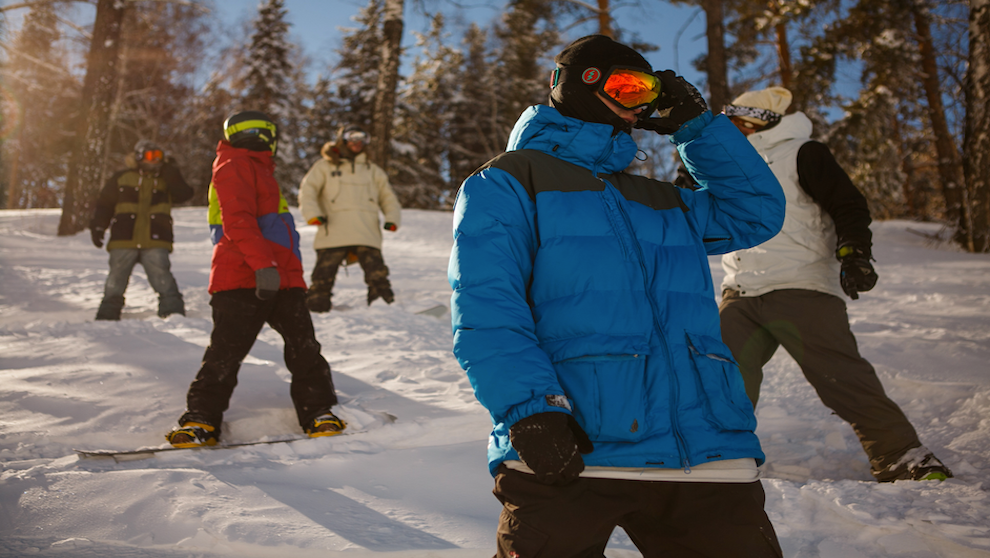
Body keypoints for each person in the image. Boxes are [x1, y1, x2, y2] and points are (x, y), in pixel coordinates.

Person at [448, 35, 787, 557]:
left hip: (706, 455)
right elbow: (487, 307)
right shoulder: (511, 181)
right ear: (578, 85)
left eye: (648, 93)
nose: (638, 106)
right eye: (626, 87)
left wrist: (698, 129)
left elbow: (756, 214)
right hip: (573, 449)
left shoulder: (663, 199)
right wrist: (530, 410)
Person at [717, 87, 953, 482]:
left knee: (840, 376)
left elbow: (848, 204)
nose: (733, 129)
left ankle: (901, 454)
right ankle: (720, 455)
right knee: (718, 375)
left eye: (740, 121)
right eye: (730, 123)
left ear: (764, 121)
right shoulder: (726, 164)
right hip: (740, 292)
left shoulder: (803, 153)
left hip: (800, 284)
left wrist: (854, 253)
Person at [166, 111, 345, 448]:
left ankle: (318, 411)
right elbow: (238, 222)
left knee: (304, 349)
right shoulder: (233, 165)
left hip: (283, 279)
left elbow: (275, 231)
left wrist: (288, 275)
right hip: (243, 278)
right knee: (225, 352)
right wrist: (263, 266)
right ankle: (200, 419)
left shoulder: (261, 170)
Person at [299, 124, 402, 312]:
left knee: (377, 274)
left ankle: (385, 309)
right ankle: (315, 309)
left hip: (366, 229)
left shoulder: (372, 170)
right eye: (352, 137)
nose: (357, 142)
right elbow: (308, 190)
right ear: (342, 139)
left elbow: (388, 196)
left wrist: (392, 218)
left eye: (362, 138)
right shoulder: (325, 166)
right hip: (333, 228)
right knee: (323, 275)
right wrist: (312, 214)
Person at [89, 140, 193, 320]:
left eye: (159, 157)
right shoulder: (121, 178)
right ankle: (108, 314)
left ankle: (173, 311)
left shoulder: (166, 179)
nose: (155, 161)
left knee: (162, 275)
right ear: (139, 156)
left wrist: (172, 174)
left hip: (156, 237)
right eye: (151, 156)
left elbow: (184, 194)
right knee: (116, 278)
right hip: (124, 237)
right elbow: (104, 205)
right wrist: (98, 226)